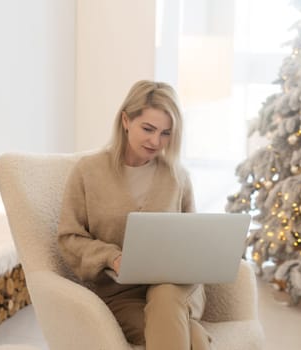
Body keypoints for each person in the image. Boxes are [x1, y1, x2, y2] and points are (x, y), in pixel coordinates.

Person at [57, 80, 213, 349]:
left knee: (165, 294)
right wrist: (112, 257)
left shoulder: (177, 177)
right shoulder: (88, 171)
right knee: (195, 340)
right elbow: (69, 238)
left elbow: (192, 239)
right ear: (126, 120)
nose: (156, 141)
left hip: (176, 287)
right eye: (148, 129)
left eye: (166, 133)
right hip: (123, 294)